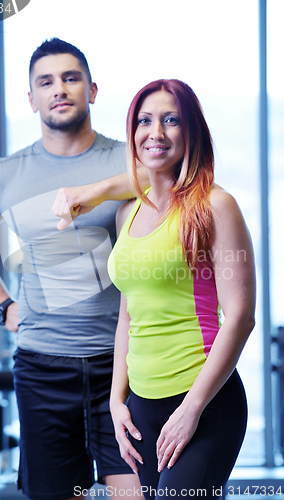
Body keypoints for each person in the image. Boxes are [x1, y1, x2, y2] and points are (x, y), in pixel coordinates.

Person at [0, 38, 144, 500]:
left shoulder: (130, 163)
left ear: (92, 90)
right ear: (32, 98)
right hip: (43, 369)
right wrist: (3, 307)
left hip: (125, 366)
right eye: (46, 81)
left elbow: (184, 189)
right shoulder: (3, 175)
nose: (59, 89)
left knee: (136, 493)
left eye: (71, 78)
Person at [105, 79, 256, 499]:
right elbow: (128, 316)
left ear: (191, 132)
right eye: (144, 121)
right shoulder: (128, 213)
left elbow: (241, 318)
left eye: (171, 120)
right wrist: (117, 402)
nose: (156, 132)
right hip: (141, 407)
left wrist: (191, 410)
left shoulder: (214, 205)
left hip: (203, 402)